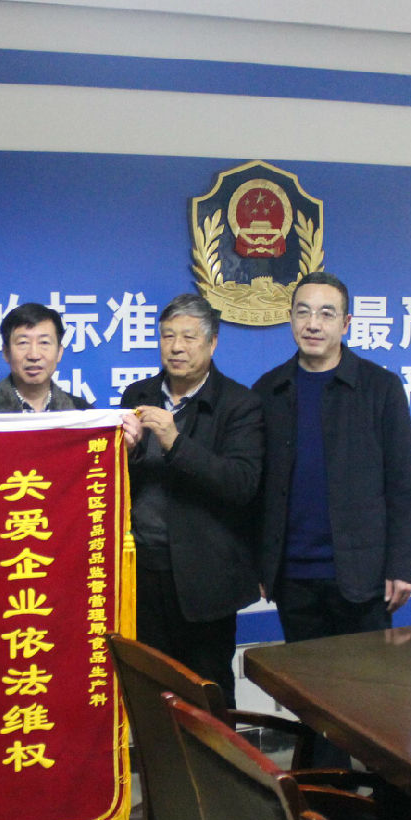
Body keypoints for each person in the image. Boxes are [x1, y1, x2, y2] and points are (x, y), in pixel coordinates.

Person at [254, 271, 411, 644]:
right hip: (292, 576)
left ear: (346, 324)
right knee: (302, 678)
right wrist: (262, 564)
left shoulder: (381, 388)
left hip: (363, 574)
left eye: (326, 314)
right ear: (290, 319)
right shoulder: (268, 390)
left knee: (366, 678)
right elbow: (259, 488)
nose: (313, 324)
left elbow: (403, 485)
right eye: (303, 312)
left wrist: (402, 565)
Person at [120, 293, 262, 706]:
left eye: (188, 337)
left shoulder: (239, 404)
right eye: (167, 336)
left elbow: (241, 483)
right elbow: (116, 486)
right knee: (150, 693)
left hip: (206, 578)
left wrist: (175, 442)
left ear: (212, 343)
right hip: (144, 571)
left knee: (207, 693)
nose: (176, 347)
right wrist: (126, 454)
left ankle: (215, 754)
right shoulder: (138, 394)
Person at [0, 302, 89, 413]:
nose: (34, 355)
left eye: (44, 342)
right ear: (6, 353)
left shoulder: (82, 414)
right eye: (23, 343)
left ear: (59, 352)